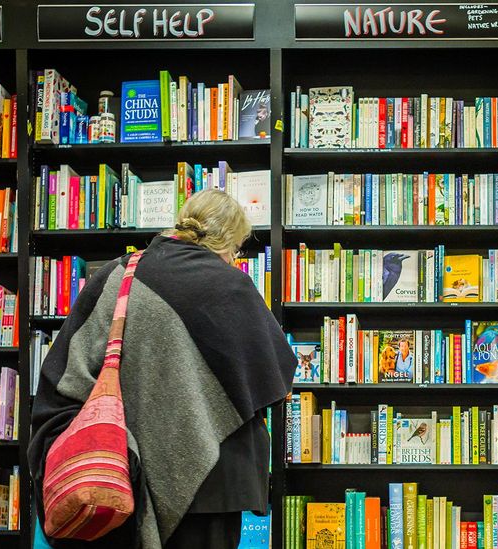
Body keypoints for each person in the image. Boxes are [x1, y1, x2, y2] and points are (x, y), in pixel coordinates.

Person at [29, 190, 297, 549]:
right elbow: (277, 380)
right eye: (236, 249)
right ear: (226, 241)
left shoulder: (118, 274)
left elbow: (65, 372)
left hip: (121, 473)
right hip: (213, 485)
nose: (234, 259)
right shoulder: (231, 287)